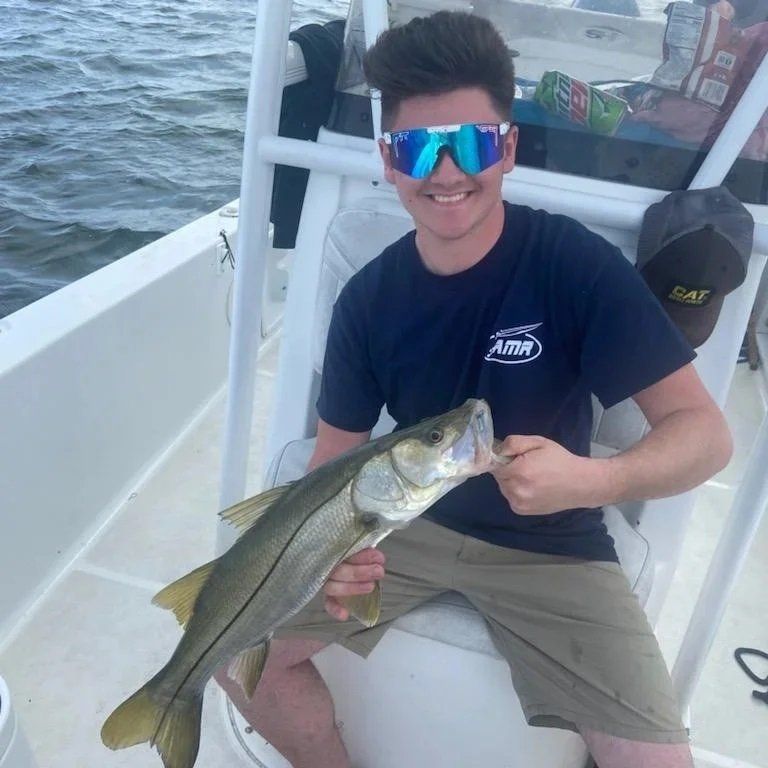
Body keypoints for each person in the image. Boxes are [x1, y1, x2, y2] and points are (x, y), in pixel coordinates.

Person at [218, 11, 733, 768]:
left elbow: (705, 434)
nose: (447, 171)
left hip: (556, 546)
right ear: (390, 160)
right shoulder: (368, 300)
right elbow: (329, 473)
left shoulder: (574, 265)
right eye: (421, 147)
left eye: (472, 144)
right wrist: (336, 555)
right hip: (403, 533)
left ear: (508, 148)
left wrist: (596, 478)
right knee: (236, 657)